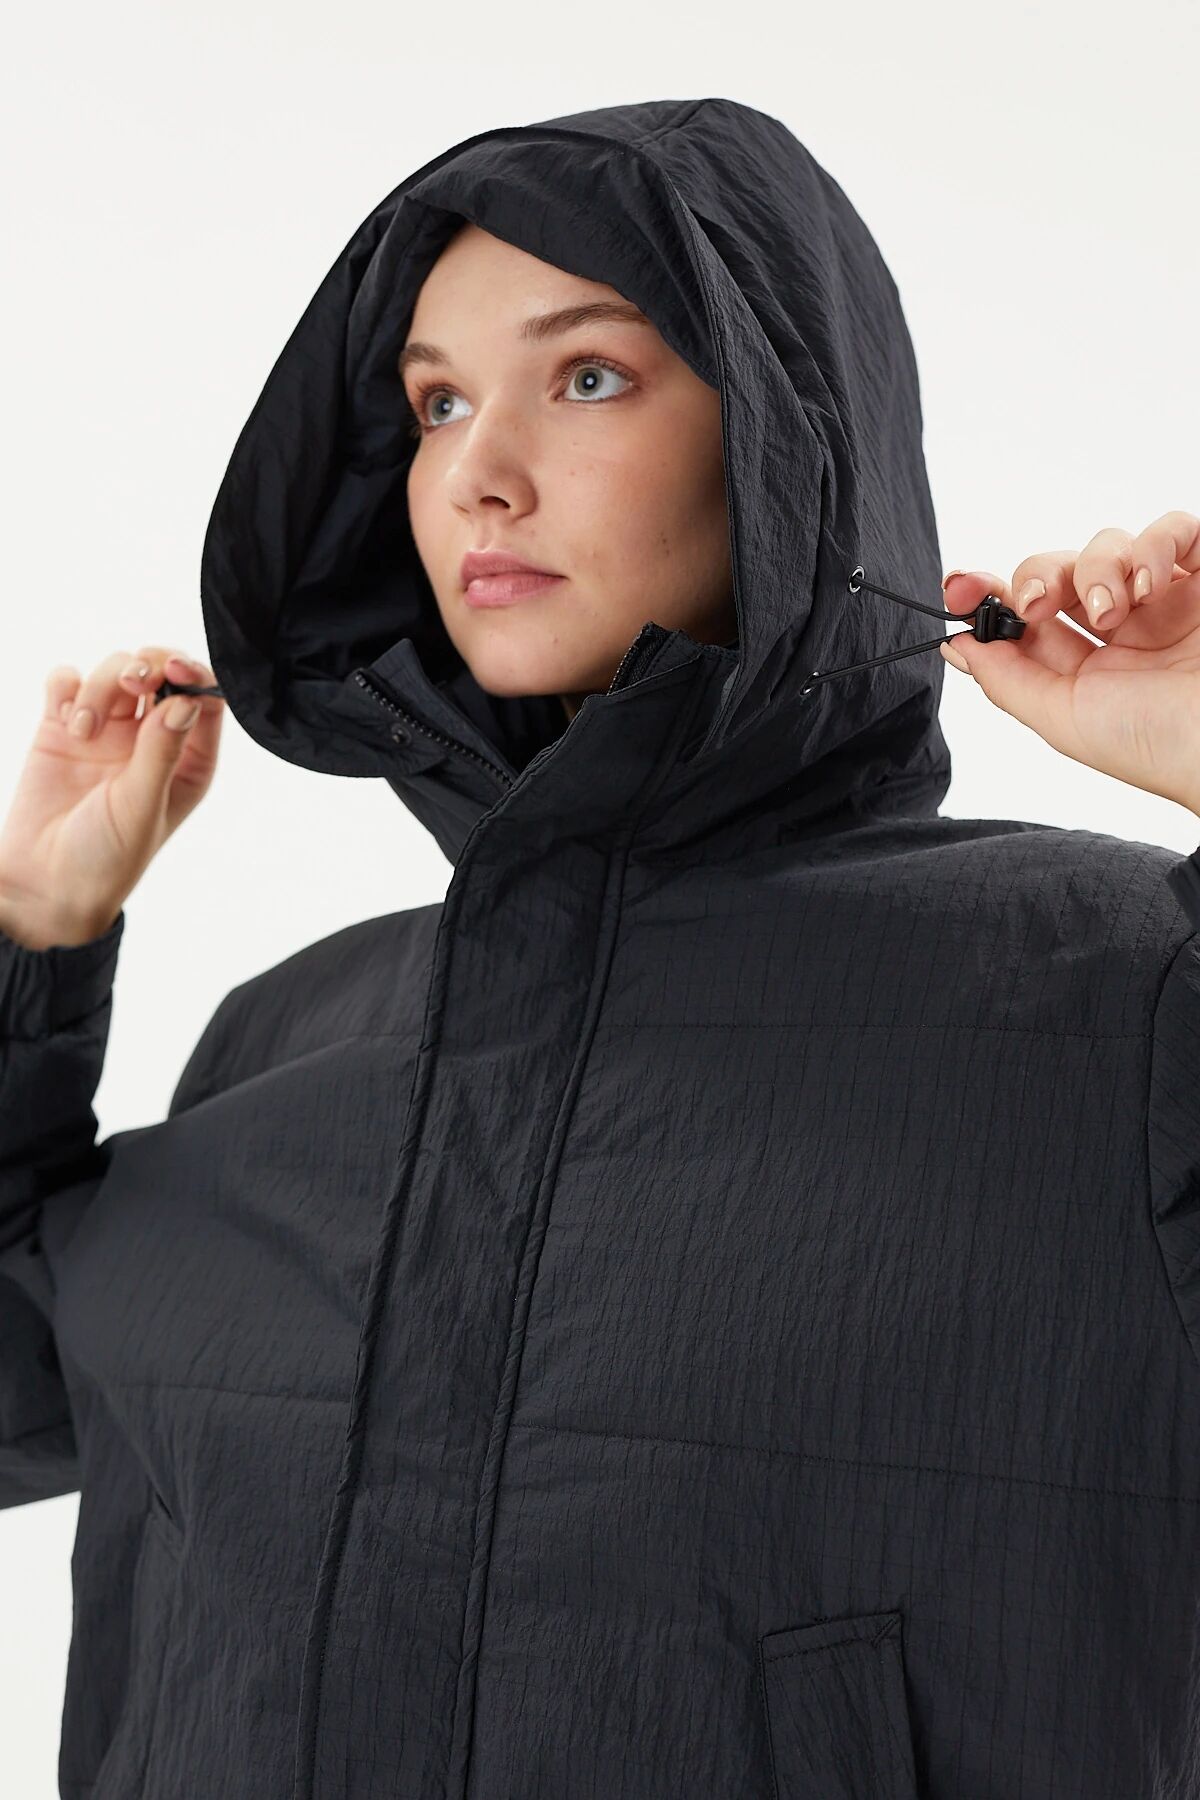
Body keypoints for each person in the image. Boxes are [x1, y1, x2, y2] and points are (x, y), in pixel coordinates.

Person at [0, 93, 1198, 1800]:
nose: (476, 474)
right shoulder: (286, 1034)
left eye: (585, 377)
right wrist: (33, 939)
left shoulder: (1117, 989)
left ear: (789, 437)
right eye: (434, 402)